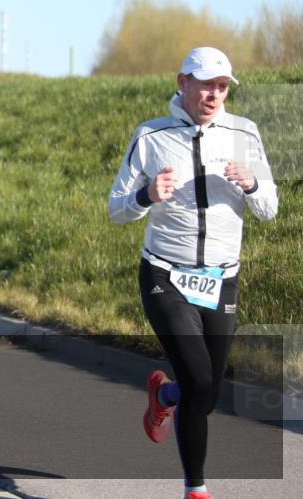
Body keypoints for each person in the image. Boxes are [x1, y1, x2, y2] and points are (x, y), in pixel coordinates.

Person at [109, 47, 278, 499]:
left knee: (206, 391)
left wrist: (253, 184)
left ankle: (164, 398)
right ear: (182, 81)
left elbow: (269, 209)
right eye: (206, 84)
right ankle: (196, 490)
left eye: (222, 86)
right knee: (200, 382)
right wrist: (146, 195)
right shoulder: (151, 137)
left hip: (222, 279)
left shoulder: (245, 133)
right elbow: (116, 210)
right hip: (166, 275)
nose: (215, 94)